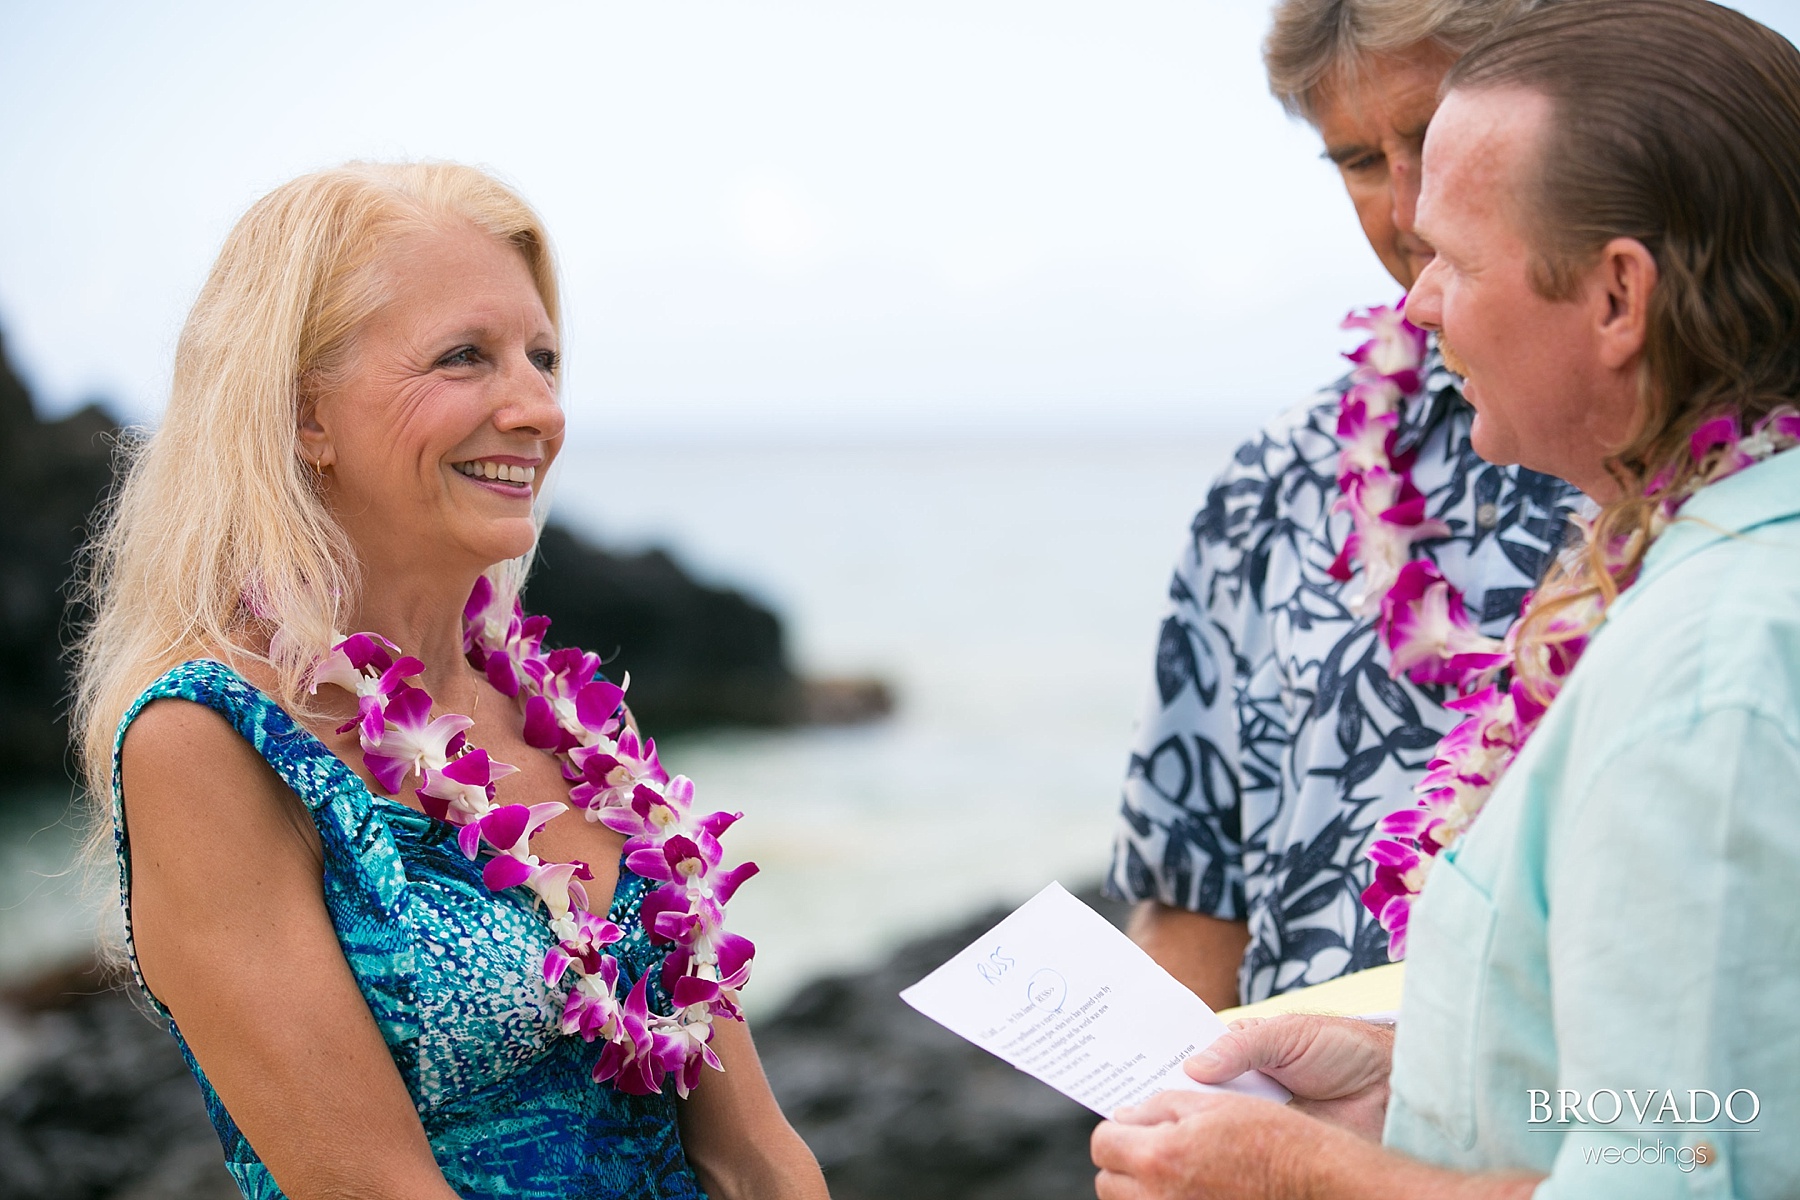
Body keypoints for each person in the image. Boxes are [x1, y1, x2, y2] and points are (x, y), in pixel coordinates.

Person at [1091, 1, 1800, 1195]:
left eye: (1460, 248)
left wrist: (1293, 1169)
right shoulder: (1284, 483)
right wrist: (1383, 1093)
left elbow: (1688, 1158)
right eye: (1362, 160)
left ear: (1620, 296)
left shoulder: (1710, 652)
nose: (1412, 251)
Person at [72, 162, 828, 1200]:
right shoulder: (210, 742)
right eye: (465, 358)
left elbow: (757, 1158)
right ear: (304, 416)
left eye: (544, 359)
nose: (536, 411)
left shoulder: (579, 734)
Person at [1105, 0, 1578, 1009]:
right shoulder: (1276, 482)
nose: (1407, 211)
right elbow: (1193, 897)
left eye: (1437, 138)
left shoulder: (1724, 453)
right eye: (1361, 161)